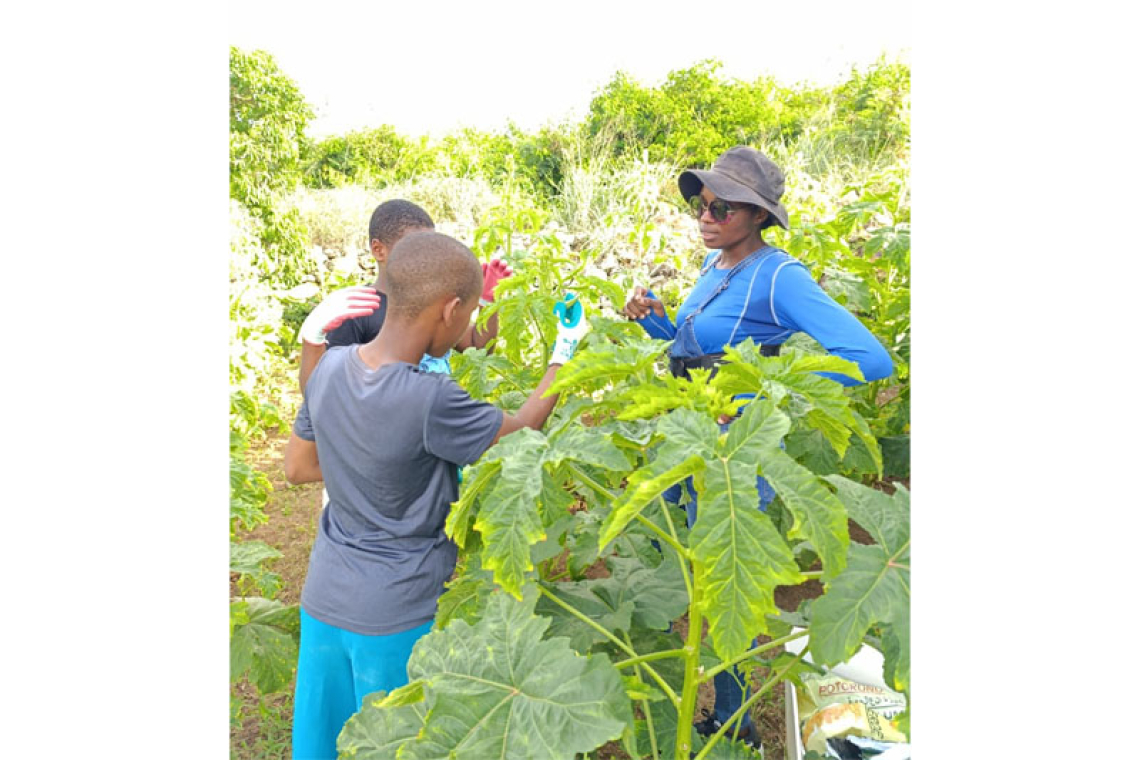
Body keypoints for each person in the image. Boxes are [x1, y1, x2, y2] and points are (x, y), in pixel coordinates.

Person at [623, 145, 893, 748]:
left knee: (730, 583)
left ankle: (735, 721)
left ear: (759, 216)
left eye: (723, 206)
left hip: (737, 454)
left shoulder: (779, 276)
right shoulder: (714, 269)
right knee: (710, 582)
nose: (707, 214)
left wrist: (774, 379)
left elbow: (871, 359)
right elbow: (691, 351)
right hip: (698, 440)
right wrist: (654, 321)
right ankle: (731, 706)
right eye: (702, 202)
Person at [283, 230, 588, 760]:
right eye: (469, 314)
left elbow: (299, 467)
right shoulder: (429, 396)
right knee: (402, 745)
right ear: (449, 309)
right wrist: (565, 354)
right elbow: (521, 432)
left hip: (324, 601)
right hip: (399, 612)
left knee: (324, 746)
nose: (469, 326)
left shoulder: (329, 366)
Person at [297, 199, 512, 391]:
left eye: (430, 248)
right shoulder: (356, 309)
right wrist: (312, 337)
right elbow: (320, 393)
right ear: (378, 249)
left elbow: (477, 347)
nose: (424, 256)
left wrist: (487, 302)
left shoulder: (433, 300)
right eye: (413, 247)